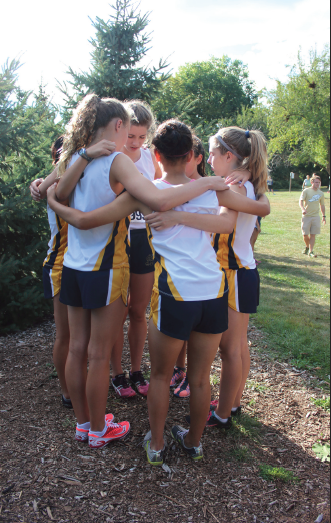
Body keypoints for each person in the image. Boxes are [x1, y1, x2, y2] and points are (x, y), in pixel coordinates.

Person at [47, 119, 270, 464]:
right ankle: (194, 442)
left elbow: (88, 220)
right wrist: (236, 181)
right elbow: (236, 219)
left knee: (161, 377)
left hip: (173, 294)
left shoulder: (145, 192)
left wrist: (54, 200)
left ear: (156, 154)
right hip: (213, 292)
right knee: (199, 378)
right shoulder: (211, 189)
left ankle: (157, 445)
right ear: (193, 155)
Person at [110, 100, 162, 399]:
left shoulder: (147, 157)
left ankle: (136, 369)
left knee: (139, 311)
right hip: (116, 240)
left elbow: (159, 189)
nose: (135, 143)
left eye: (142, 137)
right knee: (117, 313)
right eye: (131, 136)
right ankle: (117, 373)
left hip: (143, 239)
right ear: (121, 128)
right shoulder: (112, 156)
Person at [32, 137, 71, 408]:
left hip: (85, 265)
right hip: (59, 265)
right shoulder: (56, 185)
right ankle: (67, 391)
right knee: (66, 335)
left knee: (83, 337)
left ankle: (78, 383)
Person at [170, 135, 207, 400]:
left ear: (197, 158)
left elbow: (261, 208)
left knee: (197, 334)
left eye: (188, 155)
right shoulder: (162, 186)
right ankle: (179, 370)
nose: (182, 160)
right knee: (178, 334)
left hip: (202, 279)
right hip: (172, 279)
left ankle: (191, 378)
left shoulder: (209, 190)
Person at [299, 174, 326, 258]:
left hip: (315, 217)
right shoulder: (306, 191)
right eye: (316, 182)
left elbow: (322, 205)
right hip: (306, 216)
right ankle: (307, 247)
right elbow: (300, 201)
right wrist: (303, 209)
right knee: (305, 234)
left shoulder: (321, 193)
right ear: (312, 182)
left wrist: (324, 216)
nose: (318, 184)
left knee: (313, 234)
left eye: (319, 182)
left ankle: (311, 251)